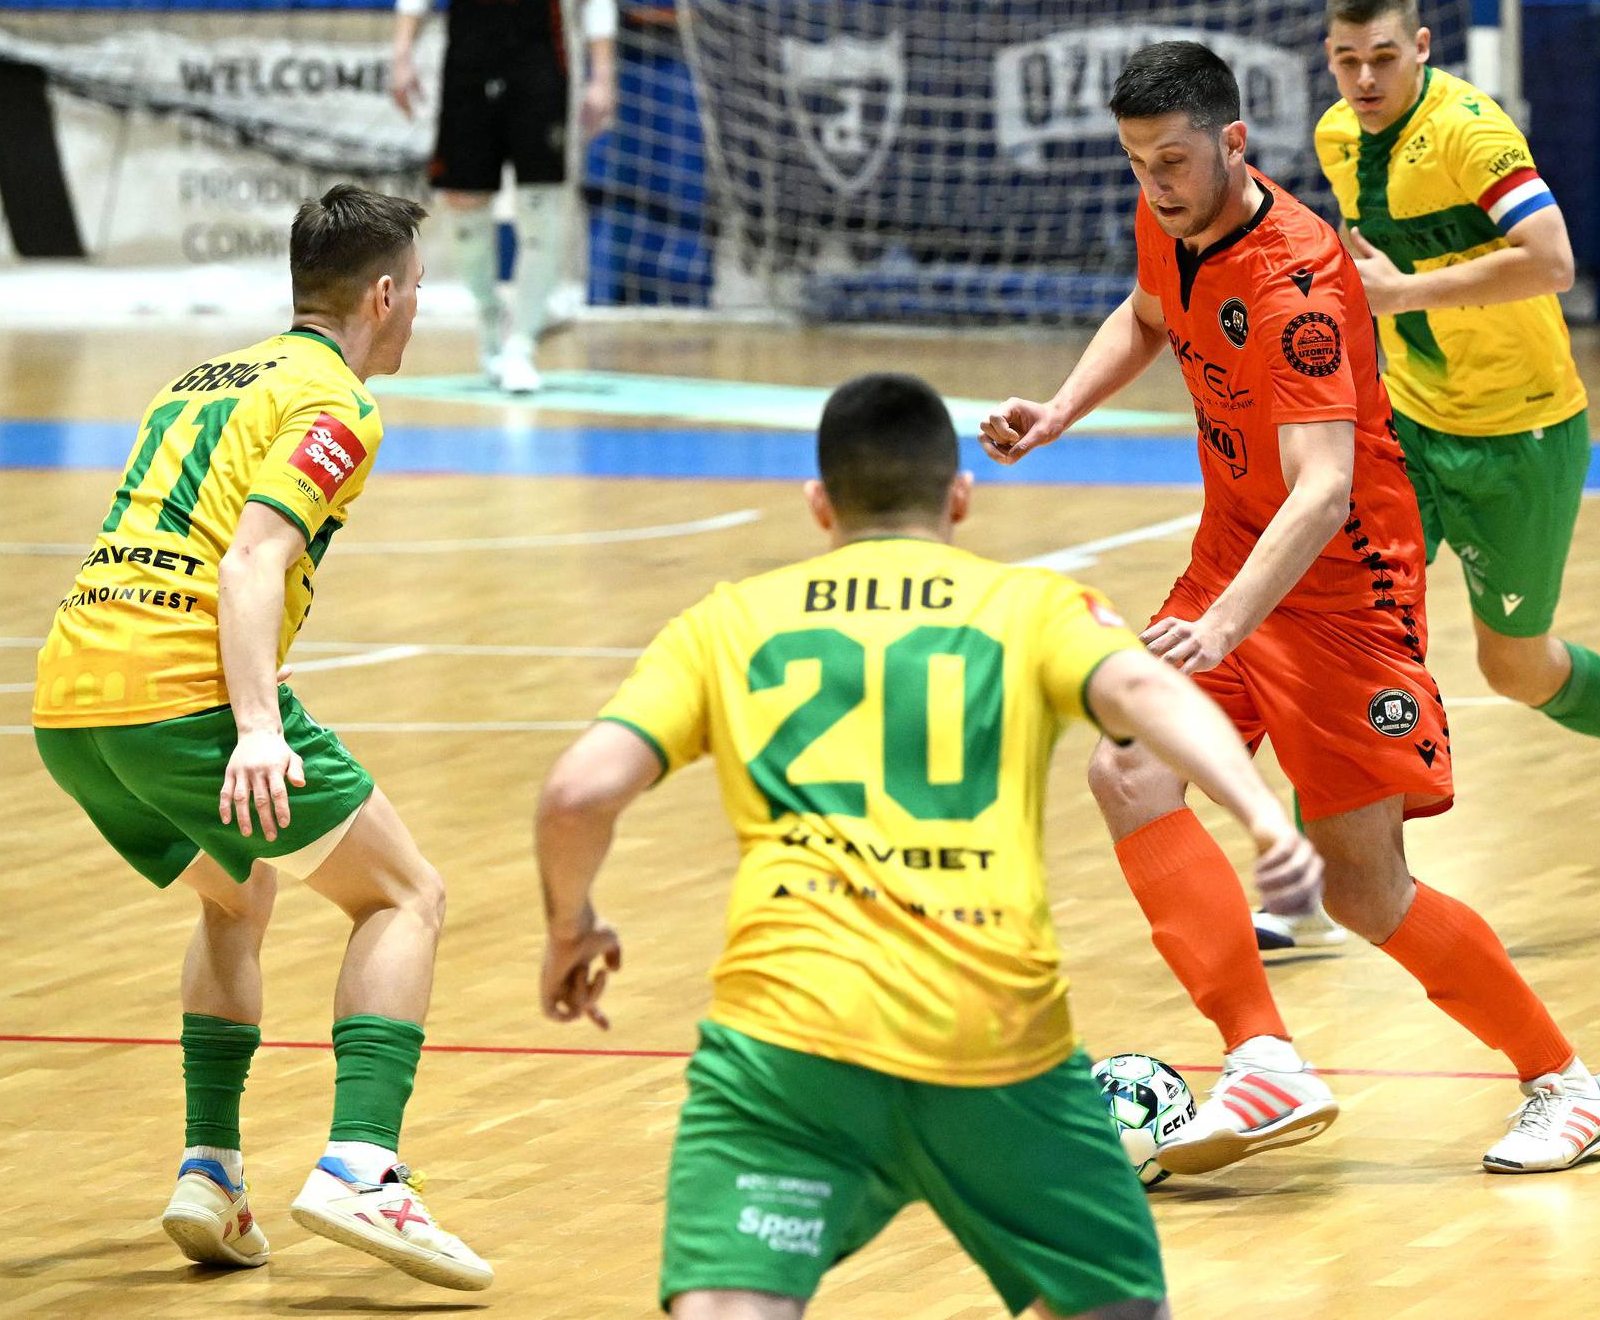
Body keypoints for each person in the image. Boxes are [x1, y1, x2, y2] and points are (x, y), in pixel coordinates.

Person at [533, 372, 1311, 1317]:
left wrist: (570, 924)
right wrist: (1264, 819)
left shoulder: (726, 622)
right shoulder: (1030, 605)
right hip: (995, 1037)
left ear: (819, 503)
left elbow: (576, 793)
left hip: (788, 1037)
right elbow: (1147, 696)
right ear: (960, 495)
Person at [980, 42, 1600, 1175]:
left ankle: (1565, 1082)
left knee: (1361, 885)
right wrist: (1063, 409)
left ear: (1235, 142)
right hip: (1235, 555)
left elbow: (1324, 489)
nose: (1155, 184)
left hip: (1339, 592)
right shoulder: (1172, 218)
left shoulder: (1299, 280)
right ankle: (1262, 1055)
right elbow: (1144, 313)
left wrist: (1225, 625)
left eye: (1172, 160)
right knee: (1128, 771)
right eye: (1136, 163)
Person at [31, 185, 492, 1290]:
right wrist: (252, 727)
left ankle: (211, 1171)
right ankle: (364, 1166)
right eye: (419, 292)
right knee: (406, 895)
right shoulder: (338, 403)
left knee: (238, 891)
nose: (419, 312)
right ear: (382, 295)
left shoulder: (202, 376)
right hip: (184, 694)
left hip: (71, 698)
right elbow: (249, 559)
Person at [1316, 0, 1600, 861]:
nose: (1365, 81)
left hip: (1521, 429)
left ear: (1420, 47)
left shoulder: (1468, 133)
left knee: (1512, 665)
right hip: (1410, 421)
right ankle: (1316, 870)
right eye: (1345, 61)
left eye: (1382, 58)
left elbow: (1553, 259)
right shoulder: (1339, 137)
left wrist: (1405, 294)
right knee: (1345, 624)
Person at [391, 0, 619, 394]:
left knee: (541, 203)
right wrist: (401, 52)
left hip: (539, 68)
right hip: (467, 68)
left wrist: (602, 76)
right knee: (463, 201)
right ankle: (491, 318)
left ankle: (522, 344)